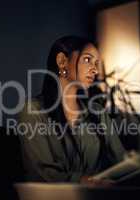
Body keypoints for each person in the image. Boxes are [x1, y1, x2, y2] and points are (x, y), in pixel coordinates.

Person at [18, 36, 126, 184]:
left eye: (96, 63)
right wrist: (85, 181)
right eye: (87, 60)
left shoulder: (98, 112)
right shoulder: (33, 110)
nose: (95, 70)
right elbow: (42, 174)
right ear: (62, 61)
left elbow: (121, 160)